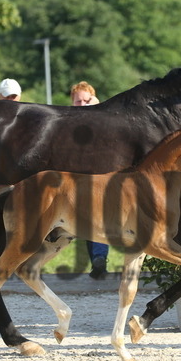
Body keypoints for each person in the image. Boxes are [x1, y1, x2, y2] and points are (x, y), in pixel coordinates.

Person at [70, 81, 108, 278]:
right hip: (74, 180)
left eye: (87, 101)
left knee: (97, 219)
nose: (83, 105)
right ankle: (97, 261)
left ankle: (99, 259)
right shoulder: (67, 123)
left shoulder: (102, 121)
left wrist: (97, 110)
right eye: (78, 102)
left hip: (98, 178)